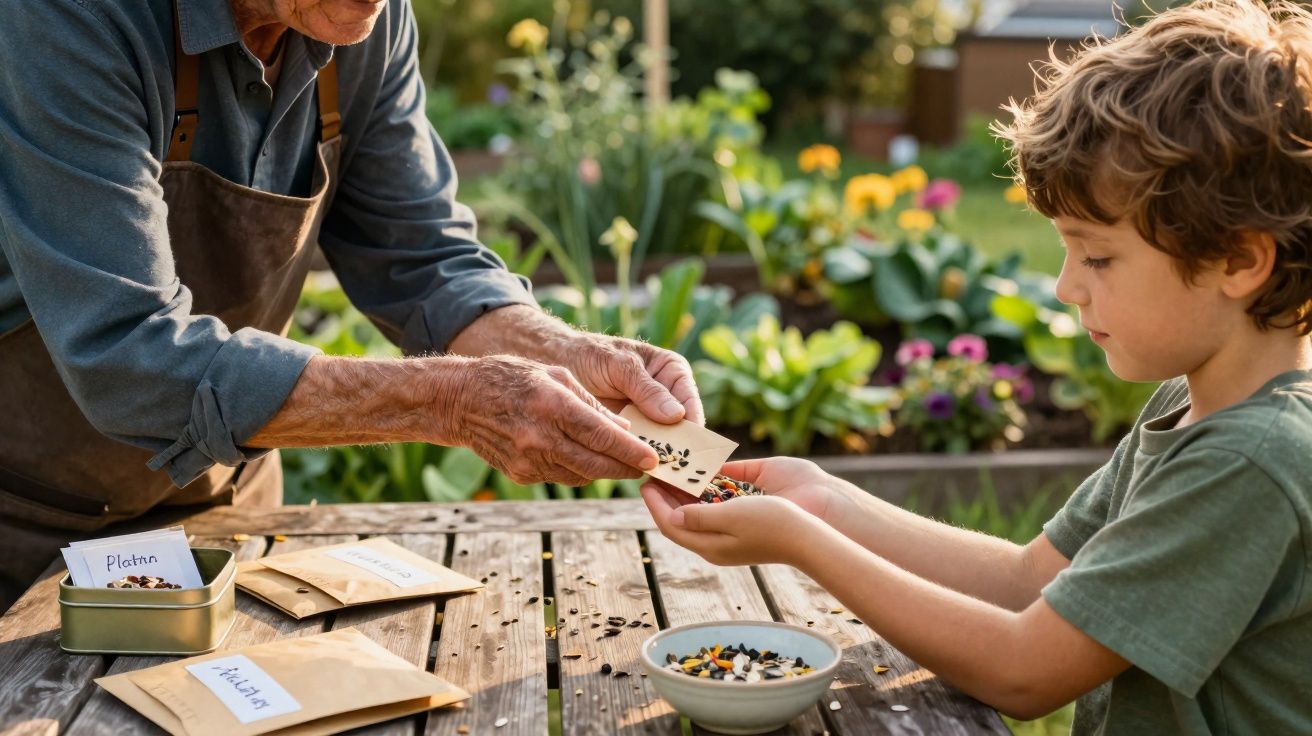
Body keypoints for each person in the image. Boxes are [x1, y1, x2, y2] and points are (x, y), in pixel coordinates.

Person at [643, 1, 1312, 732]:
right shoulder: (1191, 405)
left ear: (1239, 260)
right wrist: (825, 502)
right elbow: (1027, 581)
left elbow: (1026, 674)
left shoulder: (1251, 462)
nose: (1065, 286)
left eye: (1097, 255)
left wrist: (803, 545)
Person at [0, 0, 700, 611]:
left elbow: (421, 259)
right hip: (26, 521)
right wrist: (451, 402)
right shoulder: (70, 16)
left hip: (224, 508)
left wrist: (563, 351)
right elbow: (124, 353)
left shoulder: (367, 17)